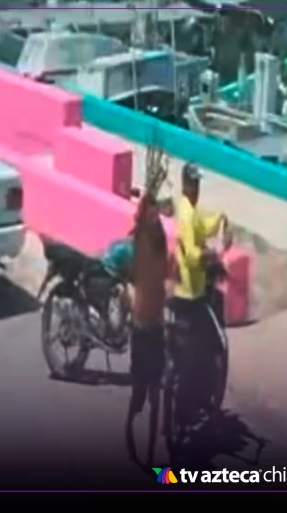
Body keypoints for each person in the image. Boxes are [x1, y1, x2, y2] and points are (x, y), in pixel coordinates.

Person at [170, 163, 231, 419]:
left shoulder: (189, 210)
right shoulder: (186, 214)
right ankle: (191, 403)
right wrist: (213, 255)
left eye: (198, 185)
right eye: (193, 185)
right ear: (186, 185)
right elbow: (194, 255)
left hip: (188, 291)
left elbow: (201, 226)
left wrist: (221, 219)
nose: (196, 189)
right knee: (217, 343)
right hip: (190, 294)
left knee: (197, 346)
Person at [124, 192, 168, 467]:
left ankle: (151, 455)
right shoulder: (138, 243)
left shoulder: (157, 240)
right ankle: (130, 433)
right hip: (141, 326)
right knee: (140, 392)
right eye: (150, 212)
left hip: (156, 326)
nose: (155, 217)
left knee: (155, 393)